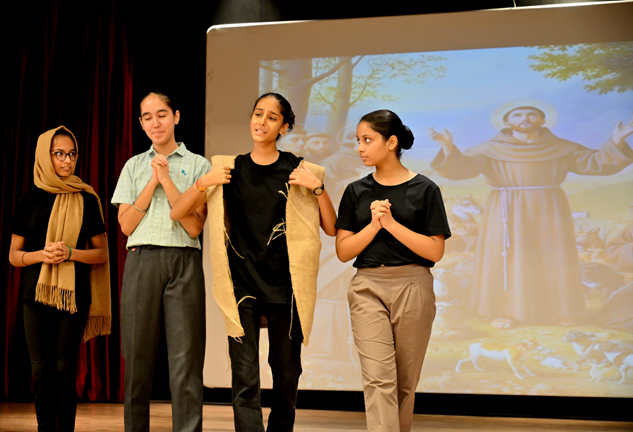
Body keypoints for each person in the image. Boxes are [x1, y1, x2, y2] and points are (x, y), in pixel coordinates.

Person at [170, 92, 337, 432]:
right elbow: (178, 212)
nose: (261, 121)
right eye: (258, 113)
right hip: (241, 285)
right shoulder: (230, 169)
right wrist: (204, 182)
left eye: (272, 117)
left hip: (286, 286)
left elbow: (332, 228)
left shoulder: (298, 169)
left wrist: (318, 188)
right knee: (244, 377)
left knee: (287, 375)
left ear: (284, 127)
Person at [430, 105, 633, 329]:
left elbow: (595, 163)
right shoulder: (490, 149)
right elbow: (462, 169)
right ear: (507, 122)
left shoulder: (560, 147)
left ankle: (559, 310)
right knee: (507, 257)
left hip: (549, 208)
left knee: (552, 257)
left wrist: (617, 141)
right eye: (517, 115)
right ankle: (504, 311)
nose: (525, 118)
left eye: (532, 114)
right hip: (505, 209)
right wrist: (448, 146)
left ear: (543, 120)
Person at [335, 110, 451, 432]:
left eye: (367, 139)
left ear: (391, 142)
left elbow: (435, 251)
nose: (360, 147)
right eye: (358, 140)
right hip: (367, 287)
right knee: (378, 378)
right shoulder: (355, 191)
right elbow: (344, 251)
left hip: (414, 286)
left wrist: (390, 224)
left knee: (404, 383)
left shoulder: (426, 189)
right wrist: (374, 226)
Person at [111, 90, 210, 432]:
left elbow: (194, 226)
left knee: (186, 360)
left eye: (162, 114)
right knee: (136, 358)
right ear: (141, 123)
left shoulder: (198, 165)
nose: (155, 122)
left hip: (184, 261)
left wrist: (166, 180)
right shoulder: (134, 165)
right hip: (141, 261)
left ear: (176, 117)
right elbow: (126, 225)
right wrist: (151, 180)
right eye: (147, 117)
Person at [9, 126, 111, 432]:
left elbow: (102, 254)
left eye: (72, 154)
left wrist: (69, 253)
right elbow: (14, 255)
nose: (67, 161)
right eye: (60, 154)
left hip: (74, 295)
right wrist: (41, 255)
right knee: (40, 370)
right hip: (34, 295)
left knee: (65, 369)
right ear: (45, 156)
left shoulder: (86, 199)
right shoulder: (28, 201)